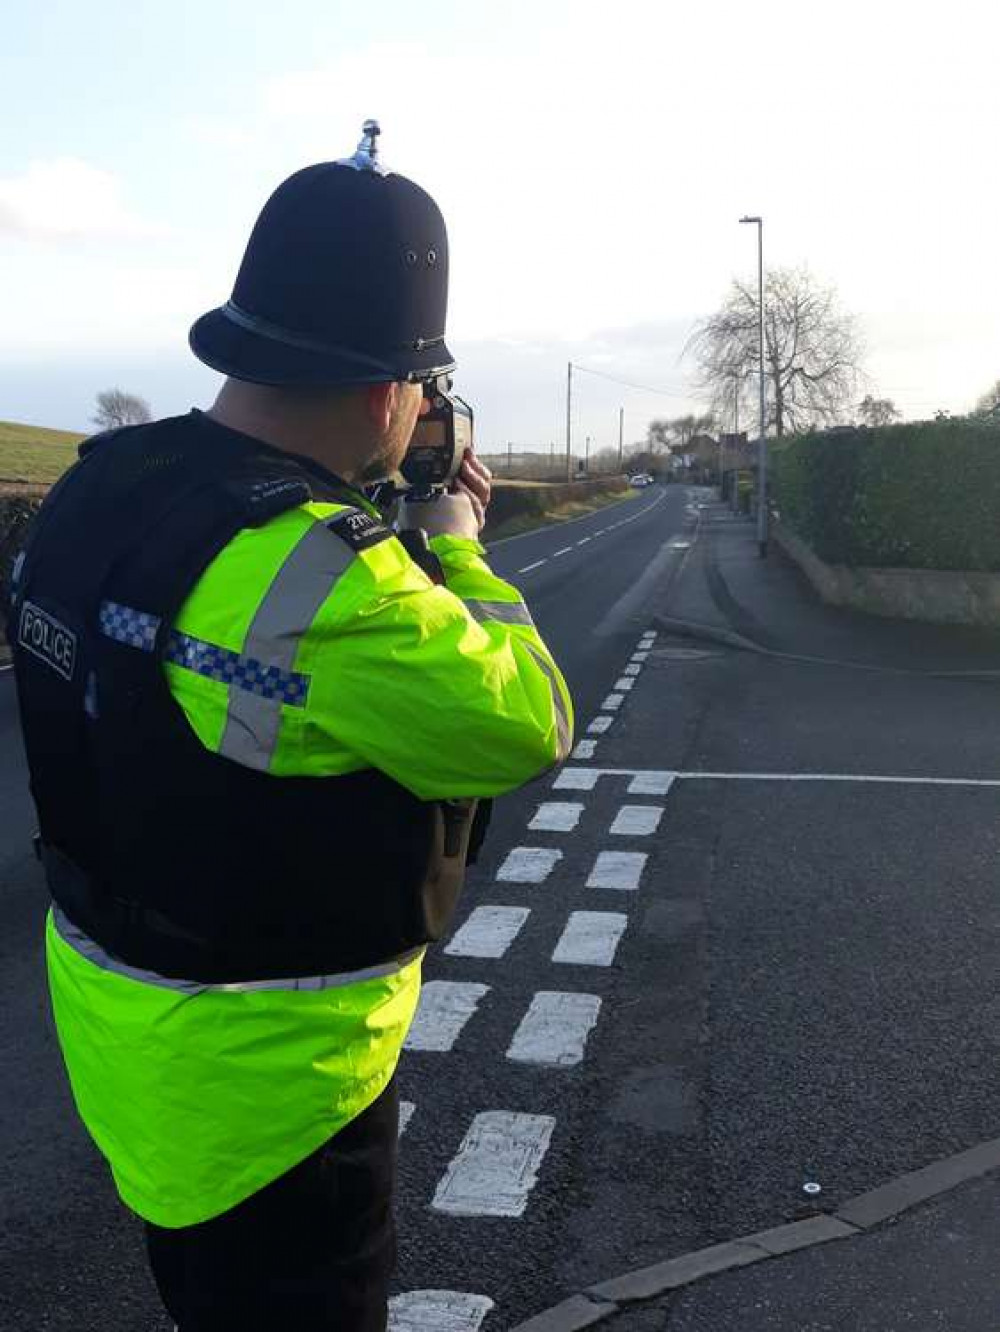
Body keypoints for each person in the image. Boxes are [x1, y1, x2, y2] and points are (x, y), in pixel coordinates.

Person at [7, 124, 573, 1331]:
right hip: (275, 1088)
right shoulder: (332, 583)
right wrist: (458, 549)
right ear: (389, 390)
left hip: (124, 1032)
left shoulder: (102, 479)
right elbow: (523, 723)